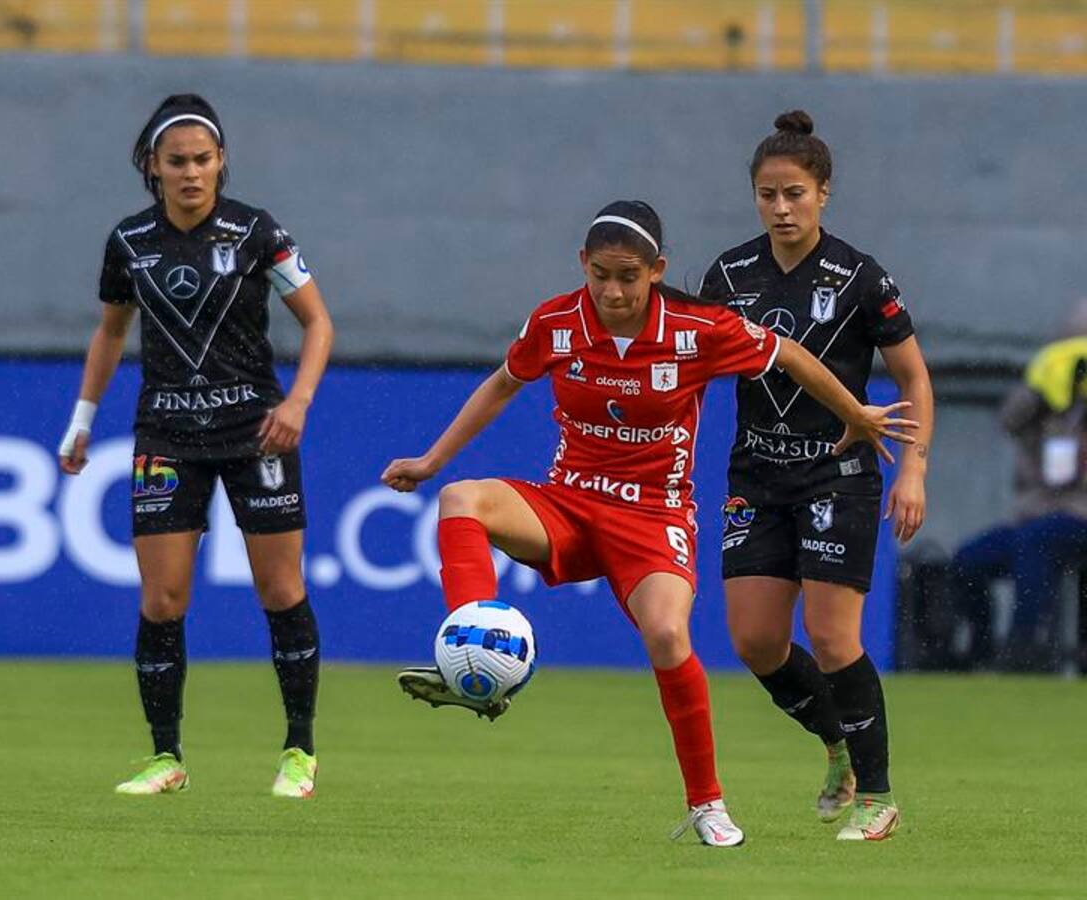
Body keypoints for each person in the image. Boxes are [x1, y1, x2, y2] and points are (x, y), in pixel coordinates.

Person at [381, 200, 916, 847]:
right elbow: (502, 383)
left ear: (656, 271)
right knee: (461, 499)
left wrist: (856, 413)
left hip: (653, 514)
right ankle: (470, 642)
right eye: (600, 274)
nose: (612, 290)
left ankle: (707, 805)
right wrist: (432, 461)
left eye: (628, 277)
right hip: (570, 503)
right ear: (583, 265)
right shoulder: (556, 322)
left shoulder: (697, 329)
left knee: (667, 633)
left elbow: (789, 356)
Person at [57, 94, 334, 797]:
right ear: (153, 166)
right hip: (167, 434)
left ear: (221, 162)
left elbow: (318, 323)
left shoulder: (255, 232)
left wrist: (297, 401)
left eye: (202, 160)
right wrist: (82, 419)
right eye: (176, 161)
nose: (190, 173)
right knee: (163, 600)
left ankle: (299, 750)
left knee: (281, 589)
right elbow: (111, 332)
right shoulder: (129, 242)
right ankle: (165, 757)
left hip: (256, 431)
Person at [699, 110, 934, 841]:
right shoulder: (728, 275)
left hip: (841, 476)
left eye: (795, 193)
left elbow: (915, 381)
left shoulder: (862, 277)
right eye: (768, 195)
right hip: (756, 476)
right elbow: (689, 368)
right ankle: (839, 749)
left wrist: (913, 473)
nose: (781, 208)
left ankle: (880, 796)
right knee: (756, 643)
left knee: (833, 639)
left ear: (823, 193)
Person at [950, 321, 1087, 671]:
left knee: (1035, 541)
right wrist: (1042, 387)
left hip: (1078, 516)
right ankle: (979, 648)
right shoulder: (1041, 417)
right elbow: (1009, 419)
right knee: (969, 560)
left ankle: (1024, 648)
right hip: (1035, 516)